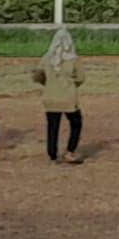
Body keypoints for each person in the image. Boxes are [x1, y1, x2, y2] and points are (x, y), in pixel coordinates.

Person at [37, 26, 84, 163]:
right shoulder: (73, 59)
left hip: (50, 97)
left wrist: (49, 84)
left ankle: (52, 155)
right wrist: (71, 85)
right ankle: (70, 151)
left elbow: (38, 75)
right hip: (68, 98)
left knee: (52, 126)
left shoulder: (47, 58)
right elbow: (81, 77)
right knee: (76, 123)